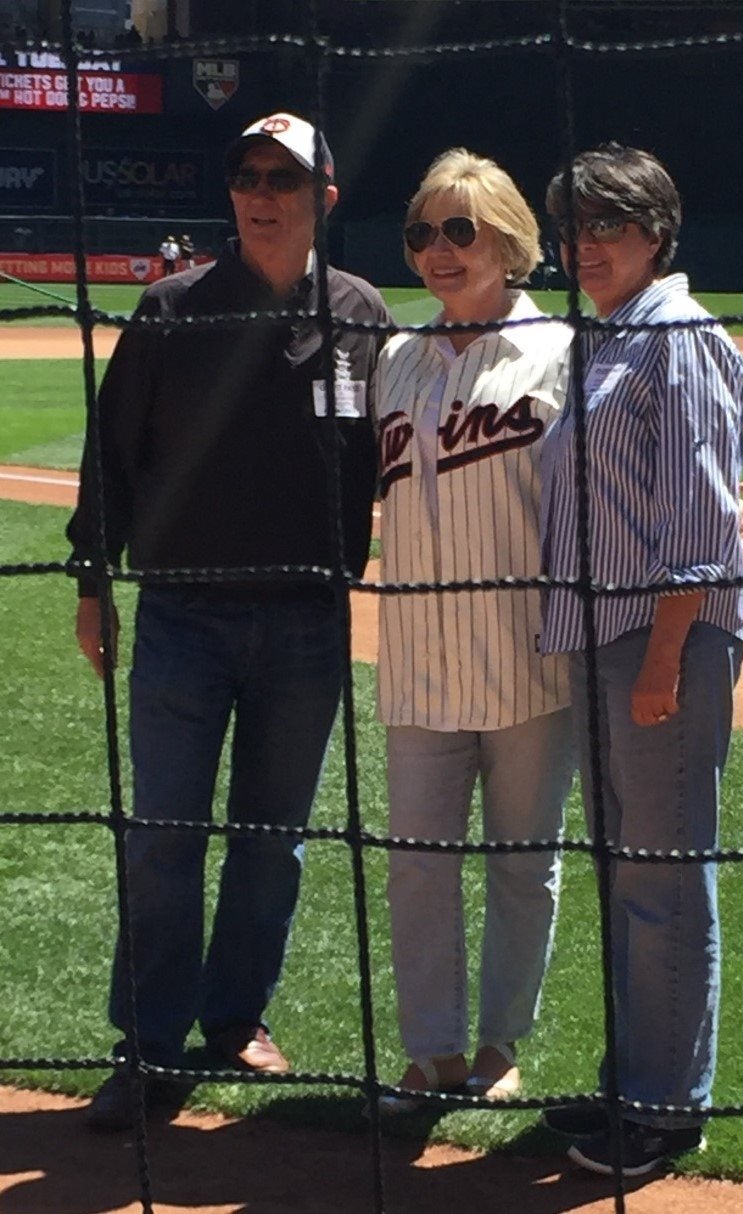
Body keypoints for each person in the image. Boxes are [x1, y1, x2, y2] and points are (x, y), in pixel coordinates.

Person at [67, 111, 391, 1131]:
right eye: (247, 175)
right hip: (182, 616)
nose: (261, 193)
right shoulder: (171, 307)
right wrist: (91, 579)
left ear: (322, 198)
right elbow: (110, 451)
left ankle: (234, 1018)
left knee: (271, 841)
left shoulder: (360, 311)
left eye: (283, 179)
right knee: (164, 833)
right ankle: (149, 1044)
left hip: (305, 623)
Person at [538, 144, 743, 1176]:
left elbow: (697, 517)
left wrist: (663, 658)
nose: (587, 245)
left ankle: (666, 1106)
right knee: (629, 873)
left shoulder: (676, 337)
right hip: (606, 634)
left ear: (654, 235)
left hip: (661, 637)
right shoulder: (606, 335)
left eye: (608, 225)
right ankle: (635, 1075)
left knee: (662, 877)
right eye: (575, 226)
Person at [374, 149, 577, 1110]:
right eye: (424, 233)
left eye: (461, 229)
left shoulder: (563, 351)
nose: (440, 251)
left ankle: (500, 1045)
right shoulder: (394, 361)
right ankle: (430, 1052)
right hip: (416, 662)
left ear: (508, 239)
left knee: (521, 868)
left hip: (529, 660)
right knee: (415, 868)